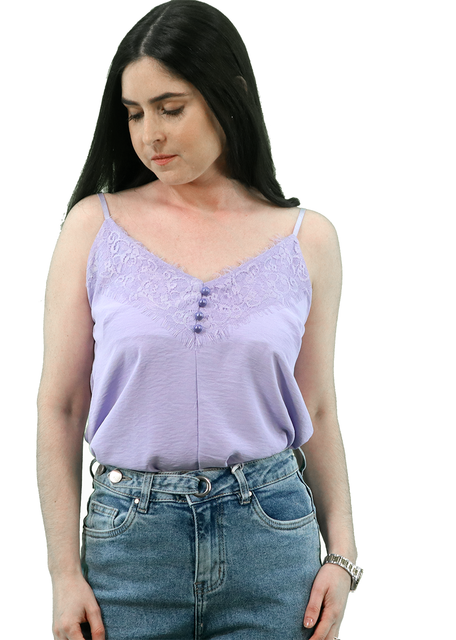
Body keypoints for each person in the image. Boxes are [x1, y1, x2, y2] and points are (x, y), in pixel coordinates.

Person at [36, 1, 362, 639]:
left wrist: (343, 554)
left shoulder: (308, 240)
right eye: (134, 113)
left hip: (271, 544)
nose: (149, 135)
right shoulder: (92, 227)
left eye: (170, 108)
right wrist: (63, 573)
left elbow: (318, 407)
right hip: (128, 551)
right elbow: (61, 406)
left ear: (228, 96)